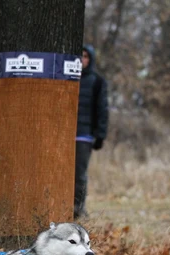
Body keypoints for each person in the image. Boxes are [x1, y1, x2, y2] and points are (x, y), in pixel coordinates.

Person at [74, 44, 108, 219]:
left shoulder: (97, 81)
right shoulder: (67, 77)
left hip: (84, 135)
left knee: (79, 174)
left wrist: (100, 135)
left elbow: (102, 109)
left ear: (91, 59)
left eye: (86, 56)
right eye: (79, 56)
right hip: (64, 135)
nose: (82, 60)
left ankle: (78, 208)